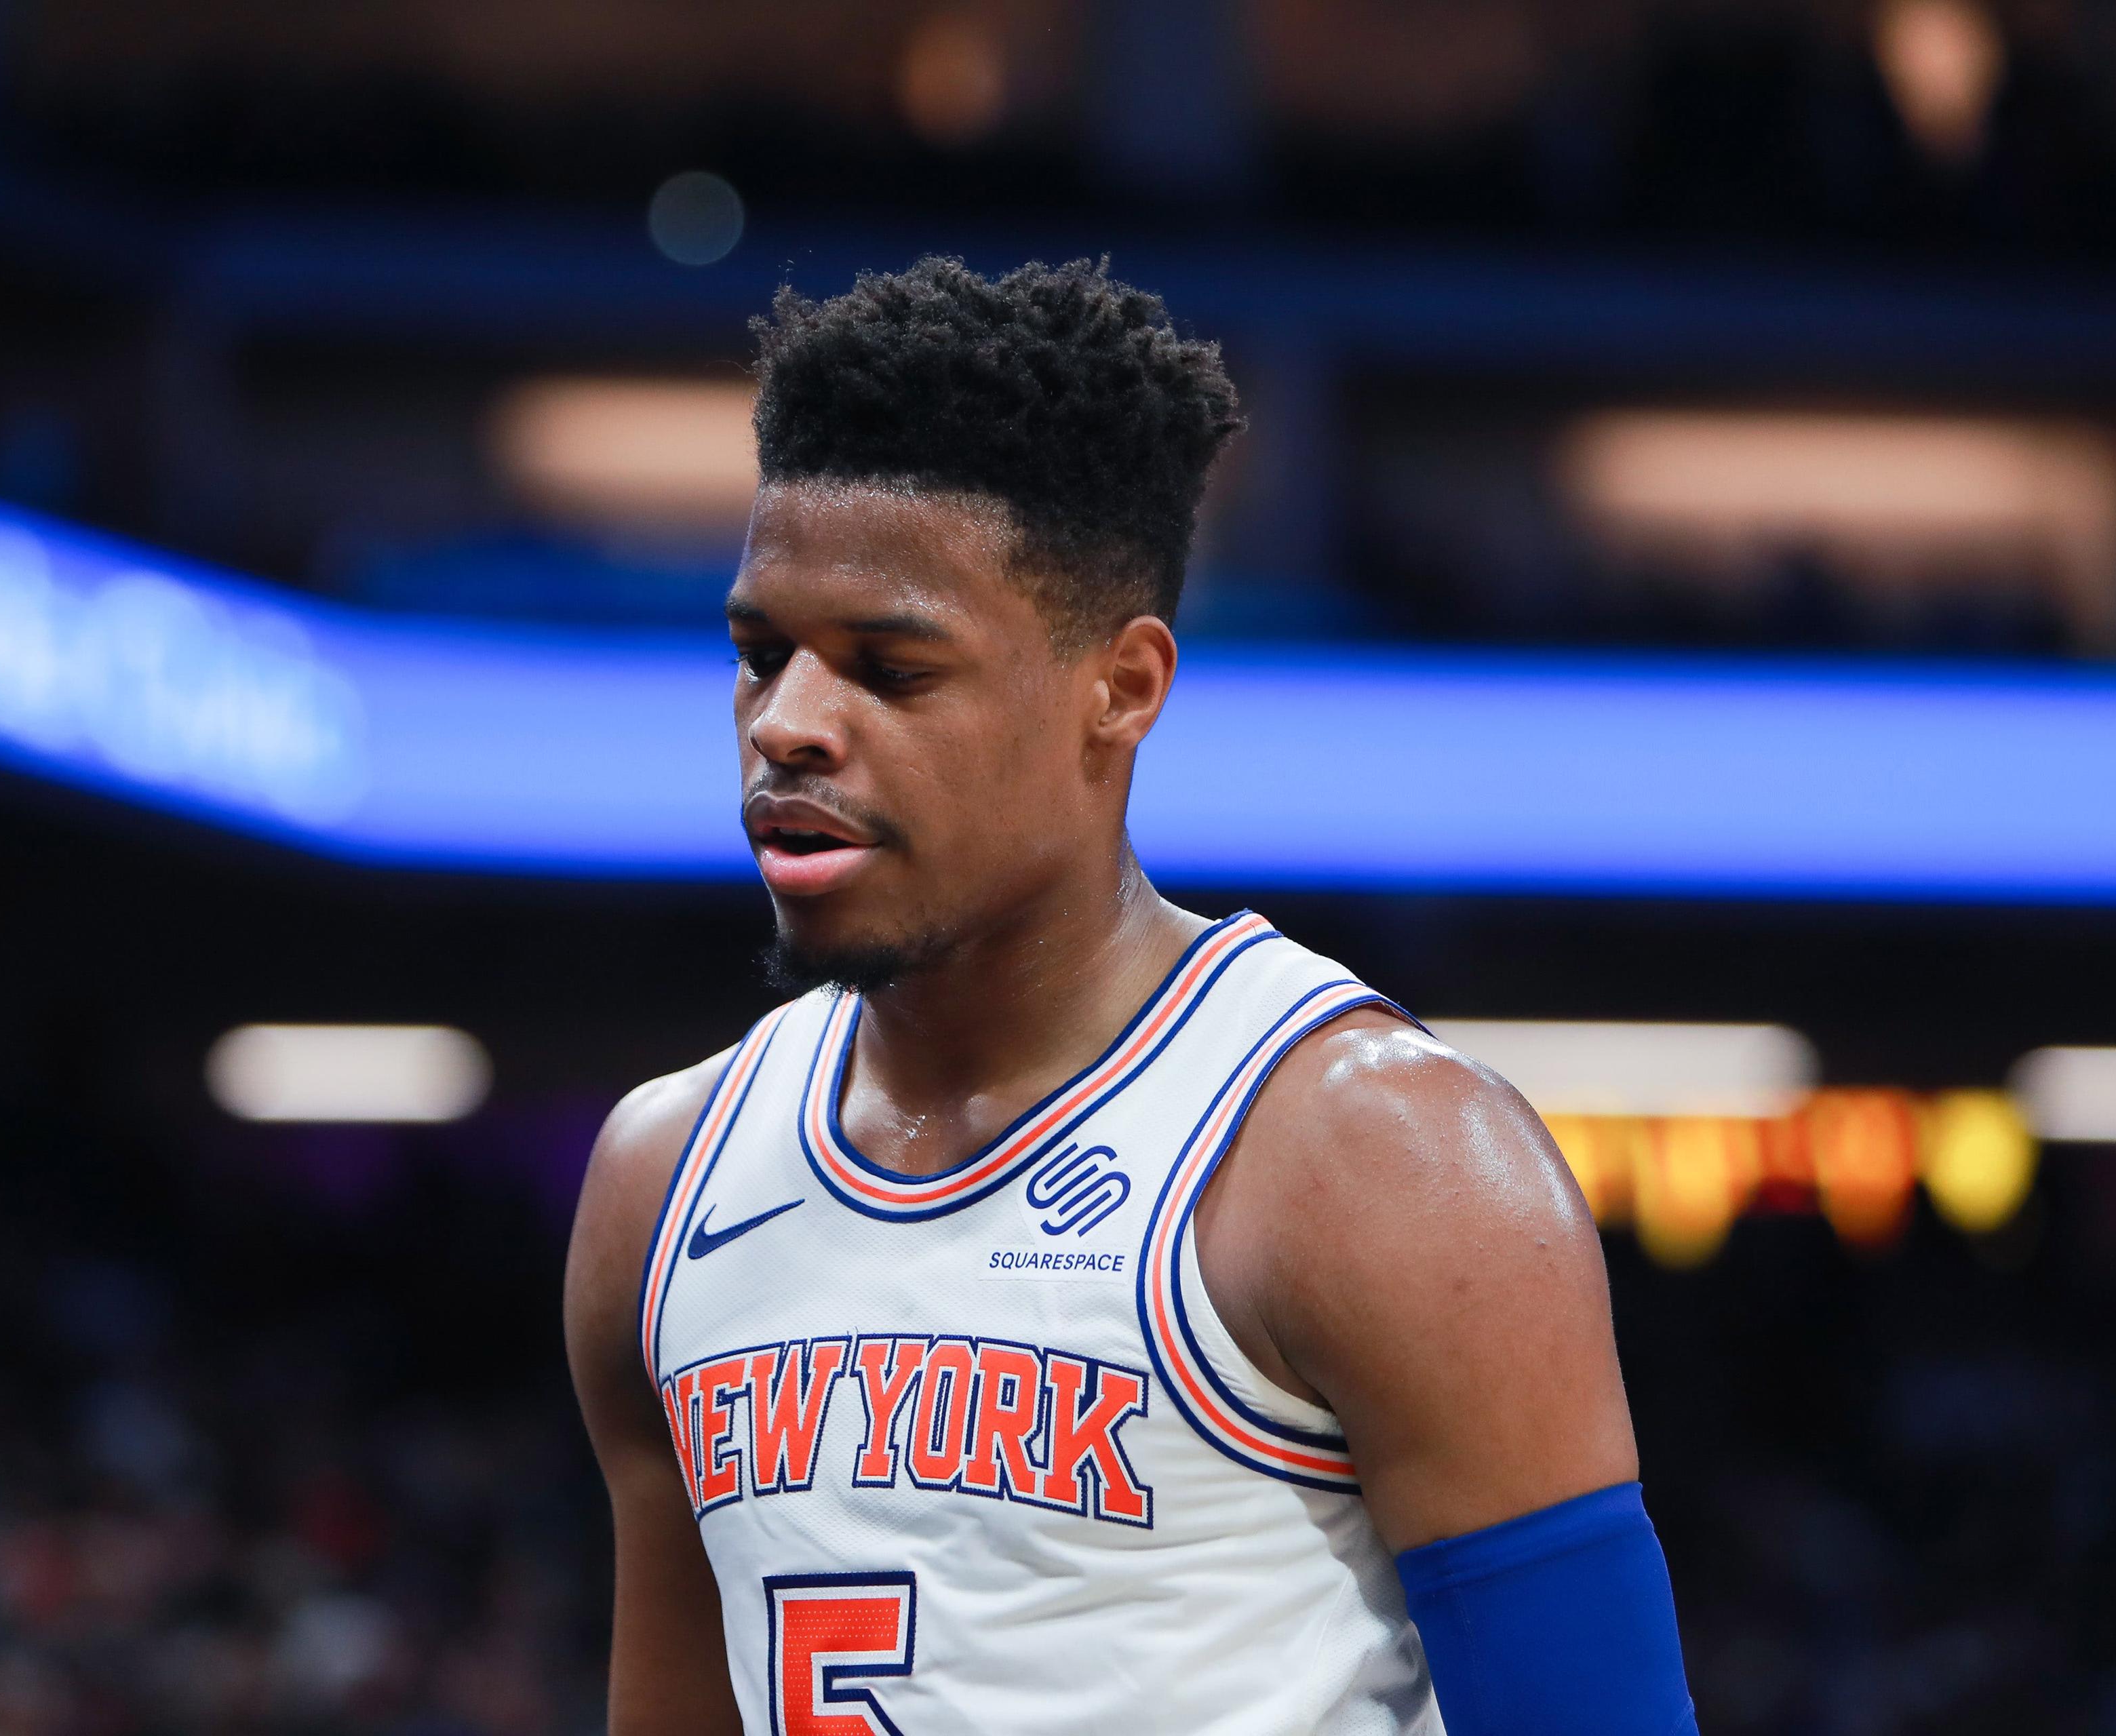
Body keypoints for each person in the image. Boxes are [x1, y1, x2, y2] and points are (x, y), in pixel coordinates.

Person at [564, 256, 1697, 1735]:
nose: (787, 723)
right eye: (761, 652)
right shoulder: (662, 1180)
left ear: (1123, 684)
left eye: (890, 669)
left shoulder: (1376, 1159)